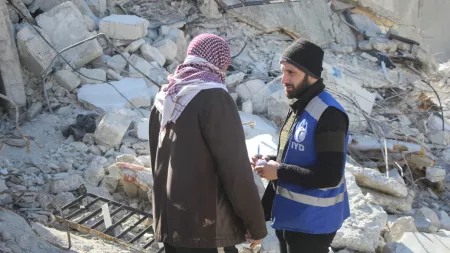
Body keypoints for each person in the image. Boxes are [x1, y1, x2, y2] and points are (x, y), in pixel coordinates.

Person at [149, 33, 268, 253]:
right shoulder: (214, 98)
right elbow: (235, 170)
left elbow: (157, 165)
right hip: (205, 228)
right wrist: (255, 225)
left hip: (170, 224)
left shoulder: (165, 96)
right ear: (220, 63)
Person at [252, 39, 350, 253]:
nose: (284, 79)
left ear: (310, 73)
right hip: (292, 218)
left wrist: (278, 171)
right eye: (283, 72)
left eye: (291, 72)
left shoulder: (330, 114)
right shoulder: (300, 106)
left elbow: (329, 175)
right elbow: (294, 157)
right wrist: (270, 162)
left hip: (313, 226)